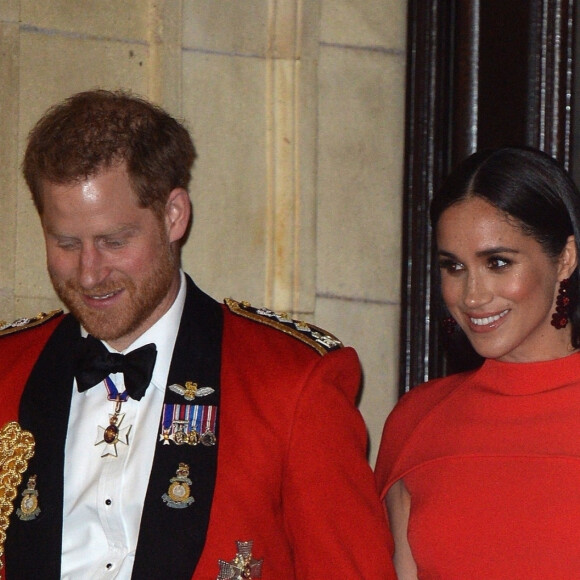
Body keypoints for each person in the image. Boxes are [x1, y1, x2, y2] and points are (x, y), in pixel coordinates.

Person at [0, 89, 394, 579]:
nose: (88, 273)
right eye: (65, 243)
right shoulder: (6, 371)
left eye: (114, 241)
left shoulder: (293, 383)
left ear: (173, 216)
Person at [375, 146, 580, 579]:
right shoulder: (417, 418)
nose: (472, 296)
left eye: (498, 263)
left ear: (564, 258)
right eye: (453, 267)